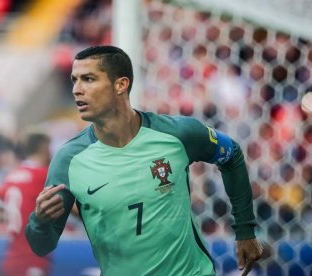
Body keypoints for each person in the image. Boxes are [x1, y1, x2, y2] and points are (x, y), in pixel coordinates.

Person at [25, 45, 263, 275]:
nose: (77, 89)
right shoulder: (69, 159)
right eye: (74, 80)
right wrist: (40, 221)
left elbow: (232, 155)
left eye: (88, 79)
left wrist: (245, 231)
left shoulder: (178, 134)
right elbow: (41, 246)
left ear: (120, 85)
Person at [0, 129, 52, 276]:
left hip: (11, 258)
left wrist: (14, 216)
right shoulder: (44, 175)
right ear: (44, 147)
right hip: (32, 257)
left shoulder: (14, 174)